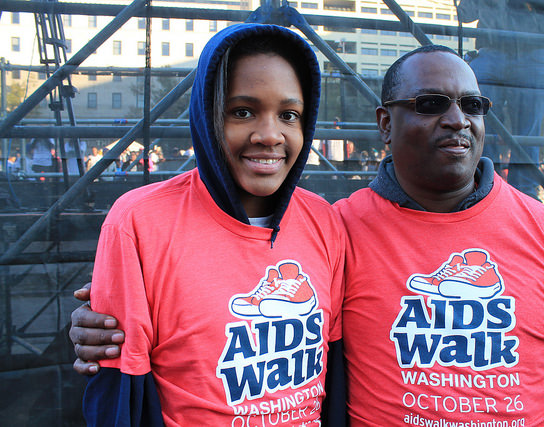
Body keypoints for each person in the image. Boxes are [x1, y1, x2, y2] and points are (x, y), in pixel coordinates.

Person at [71, 45, 544, 425]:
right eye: (432, 104)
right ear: (385, 124)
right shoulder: (335, 227)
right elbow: (230, 279)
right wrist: (110, 322)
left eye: (472, 105)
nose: (457, 119)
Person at [79, 23, 345, 426]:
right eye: (243, 111)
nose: (270, 135)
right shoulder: (139, 222)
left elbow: (338, 375)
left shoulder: (324, 221)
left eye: (289, 115)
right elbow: (121, 391)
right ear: (206, 114)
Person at [457, 0, 544, 199]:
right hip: (497, 51)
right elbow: (465, 13)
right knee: (482, 124)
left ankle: (521, 195)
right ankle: (487, 188)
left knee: (524, 130)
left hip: (527, 52)